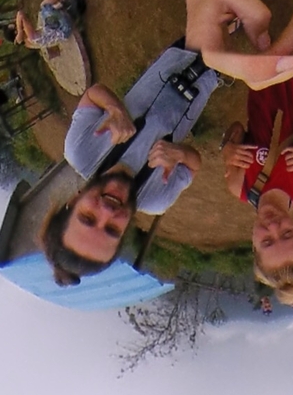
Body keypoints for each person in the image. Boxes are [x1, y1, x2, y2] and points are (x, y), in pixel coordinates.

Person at [41, 45, 216, 286]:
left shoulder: (80, 151)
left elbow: (92, 94)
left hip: (175, 58)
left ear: (72, 202)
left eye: (88, 217)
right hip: (205, 85)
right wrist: (180, 153)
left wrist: (114, 108)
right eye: (112, 230)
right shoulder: (156, 199)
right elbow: (193, 164)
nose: (108, 213)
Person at [222, 76, 293, 306]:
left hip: (257, 78)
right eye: (287, 234)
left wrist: (227, 148)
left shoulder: (238, 185)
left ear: (253, 244)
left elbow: (237, 129)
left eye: (267, 242)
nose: (272, 226)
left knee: (262, 43)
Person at [11, 0, 80, 50]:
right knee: (45, 7)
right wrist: (20, 31)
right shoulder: (30, 37)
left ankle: (64, 1)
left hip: (62, 29)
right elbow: (20, 14)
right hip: (64, 29)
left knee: (44, 10)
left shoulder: (29, 43)